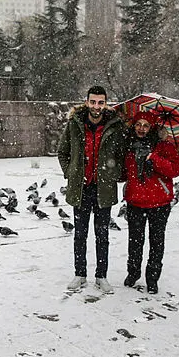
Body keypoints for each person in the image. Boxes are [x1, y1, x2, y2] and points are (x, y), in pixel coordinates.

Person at [57, 85, 126, 293]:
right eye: (93, 102)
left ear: (106, 103)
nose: (97, 106)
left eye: (101, 102)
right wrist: (72, 173)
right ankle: (80, 274)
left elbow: (121, 156)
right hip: (81, 188)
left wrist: (112, 174)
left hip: (103, 189)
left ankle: (101, 276)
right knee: (80, 233)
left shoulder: (114, 126)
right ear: (87, 102)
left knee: (102, 234)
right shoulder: (75, 124)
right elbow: (62, 152)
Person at [122, 111, 179, 294]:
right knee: (134, 241)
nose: (141, 128)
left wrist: (154, 159)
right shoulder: (129, 145)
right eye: (138, 124)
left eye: (146, 125)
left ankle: (152, 277)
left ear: (152, 128)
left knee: (157, 242)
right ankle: (133, 273)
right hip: (135, 201)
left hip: (159, 202)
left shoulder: (164, 146)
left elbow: (175, 170)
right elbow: (124, 172)